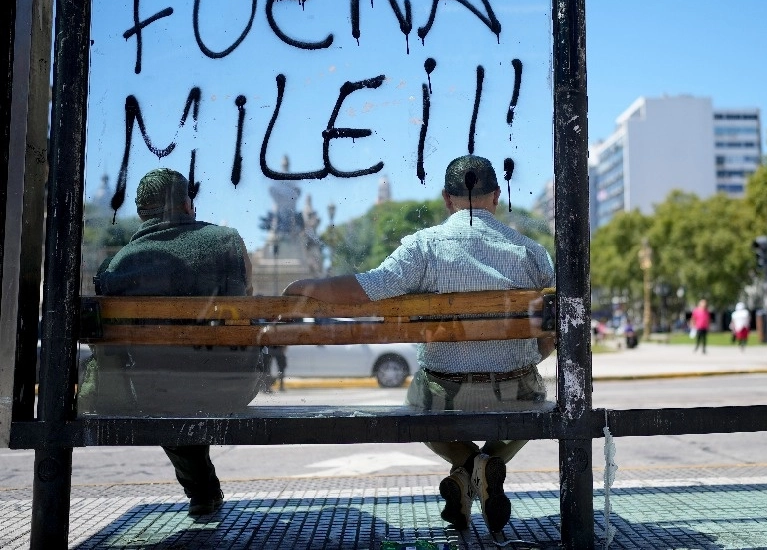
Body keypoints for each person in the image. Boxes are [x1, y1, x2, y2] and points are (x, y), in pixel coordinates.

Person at [283, 155, 555, 533]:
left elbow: (368, 288)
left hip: (445, 394)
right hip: (514, 390)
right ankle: (484, 466)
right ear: (495, 197)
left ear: (447, 198)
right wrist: (528, 358)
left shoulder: (424, 248)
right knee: (536, 396)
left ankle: (466, 471)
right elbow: (554, 332)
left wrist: (306, 287)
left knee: (416, 403)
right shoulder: (532, 253)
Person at [80, 168, 264, 518]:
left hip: (156, 390)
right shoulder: (227, 240)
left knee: (167, 389)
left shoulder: (115, 265)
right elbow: (247, 305)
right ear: (186, 204)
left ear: (141, 212)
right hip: (234, 384)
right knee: (189, 381)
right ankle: (204, 491)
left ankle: (202, 491)